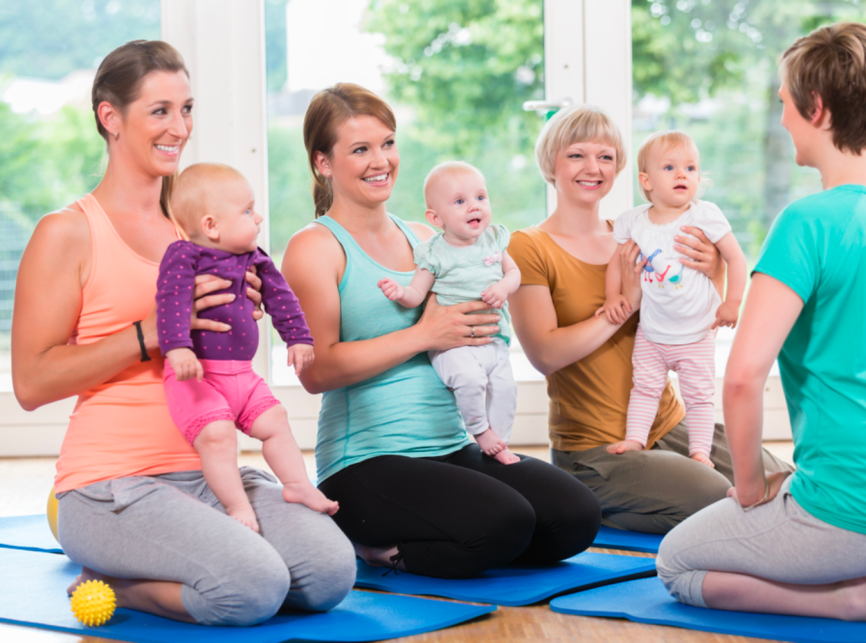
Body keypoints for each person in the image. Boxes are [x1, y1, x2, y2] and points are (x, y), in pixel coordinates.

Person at [11, 41, 355, 626]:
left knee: (329, 573)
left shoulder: (204, 225)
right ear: (110, 117)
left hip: (210, 472)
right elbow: (31, 382)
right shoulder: (68, 231)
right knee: (252, 587)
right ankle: (118, 583)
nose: (180, 127)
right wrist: (146, 334)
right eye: (160, 111)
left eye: (187, 108)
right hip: (111, 486)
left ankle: (205, 556)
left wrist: (249, 313)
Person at [281, 83, 601, 580]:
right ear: (323, 163)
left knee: (575, 517)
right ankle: (374, 547)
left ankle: (459, 532)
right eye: (360, 149)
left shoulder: (428, 236)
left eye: (387, 143)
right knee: (504, 522)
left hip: (450, 445)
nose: (380, 160)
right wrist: (423, 335)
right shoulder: (315, 248)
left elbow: (470, 314)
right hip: (367, 461)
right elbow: (316, 371)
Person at [656, 22, 866, 621]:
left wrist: (747, 487)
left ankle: (861, 600)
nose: (784, 117)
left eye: (785, 104)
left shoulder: (807, 222)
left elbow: (742, 378)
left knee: (676, 563)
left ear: (816, 109)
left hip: (856, 511)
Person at [507, 104, 791, 534]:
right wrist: (629, 302)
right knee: (718, 498)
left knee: (783, 482)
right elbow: (545, 354)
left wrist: (712, 267)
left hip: (669, 424)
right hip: (595, 449)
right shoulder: (528, 246)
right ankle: (593, 505)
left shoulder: (641, 231)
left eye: (605, 156)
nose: (593, 167)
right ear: (551, 162)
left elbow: (693, 308)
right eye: (576, 155)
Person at [158, 163, 338, 533]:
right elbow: (171, 301)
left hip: (242, 375)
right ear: (211, 226)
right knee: (218, 436)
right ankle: (237, 503)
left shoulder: (254, 258)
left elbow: (282, 298)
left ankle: (298, 485)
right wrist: (178, 348)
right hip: (199, 377)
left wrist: (299, 337)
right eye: (246, 211)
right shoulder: (182, 256)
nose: (258, 217)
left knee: (276, 421)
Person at [602, 130, 747, 467]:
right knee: (644, 388)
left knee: (699, 398)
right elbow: (616, 261)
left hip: (696, 333)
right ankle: (636, 439)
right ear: (646, 180)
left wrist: (732, 302)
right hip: (652, 333)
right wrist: (613, 295)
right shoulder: (634, 221)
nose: (683, 174)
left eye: (691, 168)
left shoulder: (704, 215)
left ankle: (700, 453)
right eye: (669, 167)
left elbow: (736, 258)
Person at [377, 161, 521, 465]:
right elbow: (417, 293)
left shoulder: (493, 239)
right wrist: (400, 293)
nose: (474, 207)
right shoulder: (434, 253)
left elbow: (514, 272)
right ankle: (480, 431)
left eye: (480, 198)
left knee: (506, 388)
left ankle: (501, 441)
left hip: (493, 340)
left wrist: (505, 287)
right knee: (469, 380)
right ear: (435, 217)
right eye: (460, 201)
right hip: (453, 346)